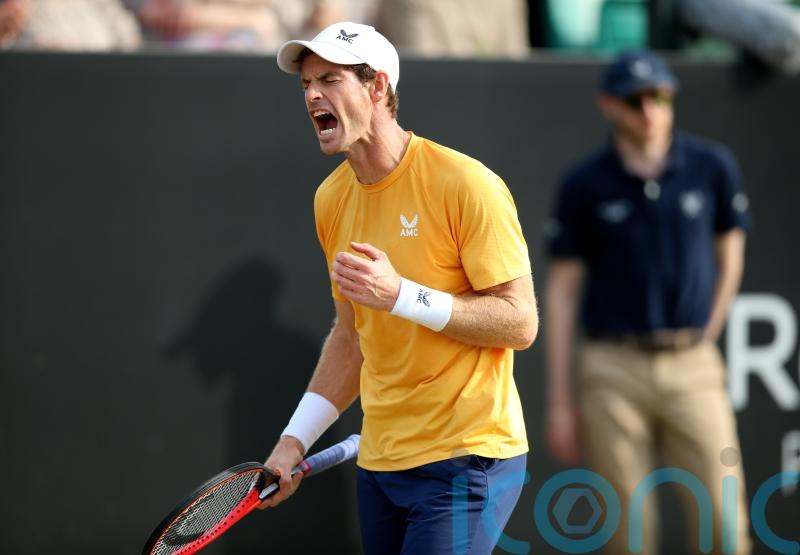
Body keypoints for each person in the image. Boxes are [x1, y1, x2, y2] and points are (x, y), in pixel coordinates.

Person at [260, 21, 539, 555]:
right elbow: (350, 338)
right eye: (306, 85)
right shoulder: (331, 200)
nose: (313, 94)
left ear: (378, 87)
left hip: (468, 455)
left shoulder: (465, 183)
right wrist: (292, 442)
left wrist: (403, 295)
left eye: (330, 79)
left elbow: (520, 322)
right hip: (382, 464)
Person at [544, 51, 751, 554]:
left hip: (691, 362)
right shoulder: (584, 184)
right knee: (627, 537)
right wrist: (560, 402)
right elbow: (562, 291)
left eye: (660, 96)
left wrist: (708, 330)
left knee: (724, 527)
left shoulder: (711, 167)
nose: (650, 110)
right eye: (635, 100)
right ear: (608, 105)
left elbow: (731, 254)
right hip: (611, 368)